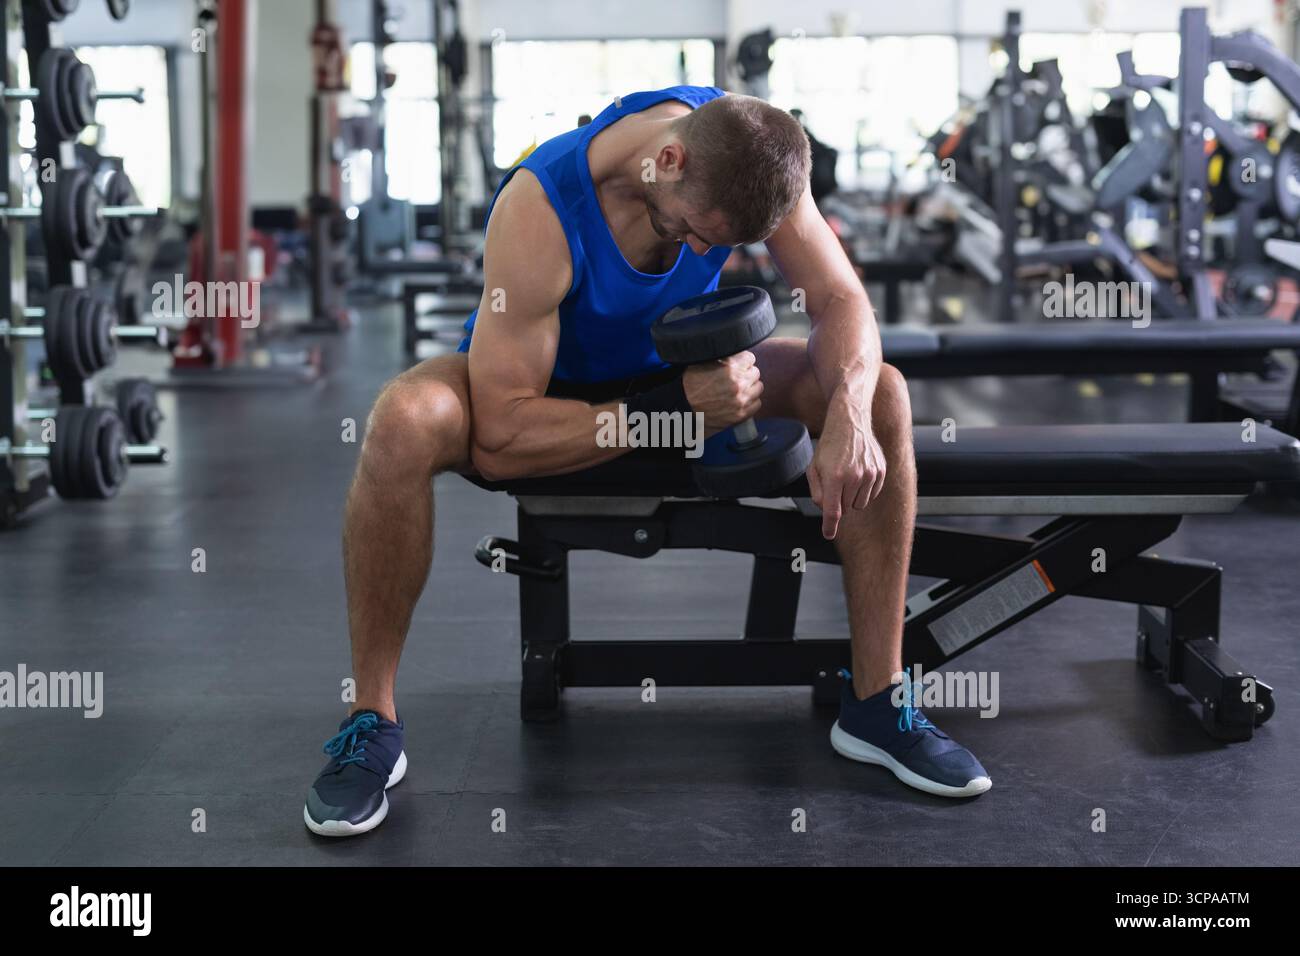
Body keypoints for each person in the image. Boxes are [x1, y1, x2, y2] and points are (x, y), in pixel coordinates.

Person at [304, 86, 990, 838]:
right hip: (551, 392)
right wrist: (672, 413)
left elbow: (837, 297)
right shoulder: (543, 206)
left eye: (717, 243)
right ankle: (372, 720)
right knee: (402, 421)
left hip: (689, 378)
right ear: (667, 161)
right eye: (696, 232)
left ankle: (876, 701)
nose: (701, 254)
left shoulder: (747, 155)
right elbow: (500, 436)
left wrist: (850, 414)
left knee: (883, 393)